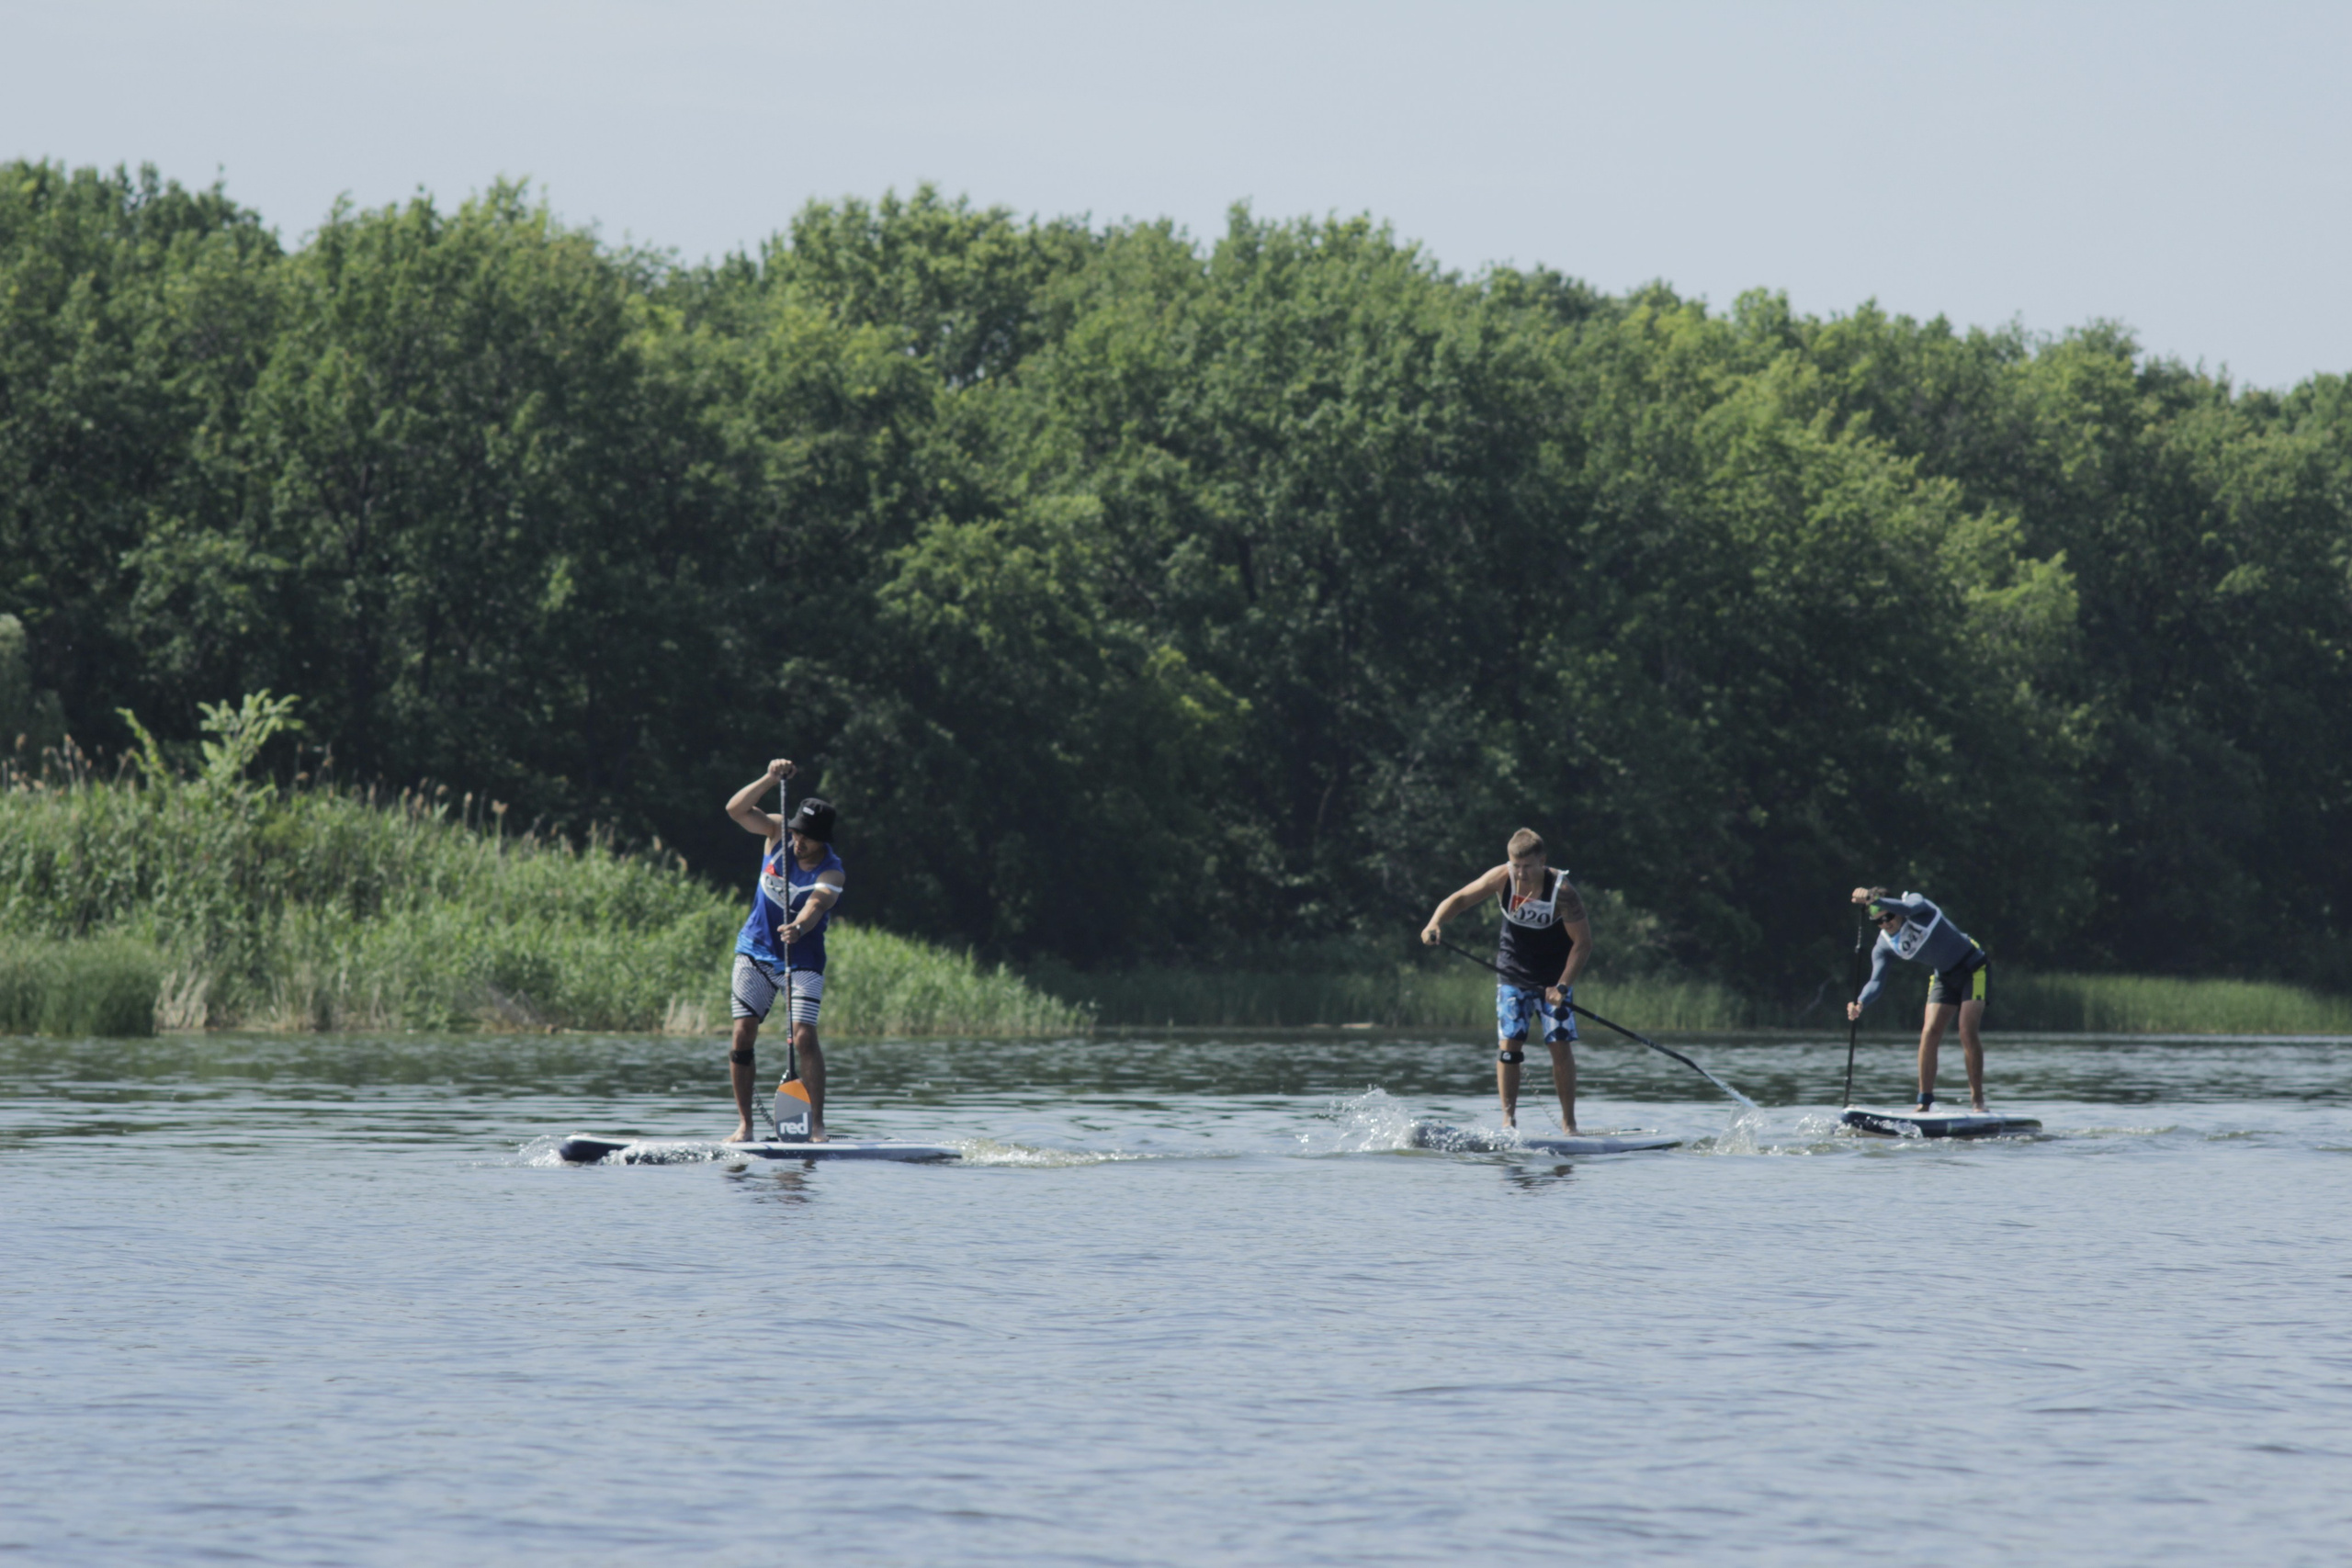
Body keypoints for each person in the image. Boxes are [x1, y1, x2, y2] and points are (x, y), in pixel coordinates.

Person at [1421, 829, 1594, 1134]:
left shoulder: (1562, 891)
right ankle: (1508, 1123)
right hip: (1513, 971)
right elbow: (1459, 899)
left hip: (1555, 977)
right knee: (1510, 1045)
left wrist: (1564, 986)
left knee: (1559, 1044)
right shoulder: (1501, 878)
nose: (1521, 873)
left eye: (1528, 866)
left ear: (1542, 861)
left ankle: (1569, 1124)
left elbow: (1582, 944)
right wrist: (1435, 923)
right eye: (1516, 865)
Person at [723, 758, 844, 1142]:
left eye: (806, 837)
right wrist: (769, 778)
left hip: (802, 960)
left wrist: (800, 926)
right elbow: (736, 810)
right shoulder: (777, 833)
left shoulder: (832, 871)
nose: (797, 841)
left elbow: (817, 905)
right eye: (795, 833)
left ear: (822, 839)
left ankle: (817, 1125)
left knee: (804, 1036)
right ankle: (745, 1126)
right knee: (743, 1034)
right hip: (755, 950)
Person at [1846, 886, 1990, 1112]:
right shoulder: (1884, 946)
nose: (1885, 924)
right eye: (1878, 922)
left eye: (1888, 917)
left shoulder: (1916, 905)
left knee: (1966, 1030)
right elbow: (1876, 982)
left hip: (1973, 968)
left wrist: (1875, 899)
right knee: (1929, 1031)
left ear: (1894, 909)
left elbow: (1907, 907)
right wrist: (1860, 1002)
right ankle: (1924, 1102)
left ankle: (1978, 1102)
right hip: (1943, 976)